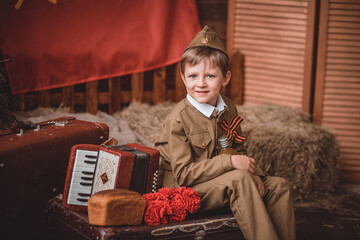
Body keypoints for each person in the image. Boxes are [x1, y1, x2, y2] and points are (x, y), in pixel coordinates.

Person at [155, 26, 296, 240]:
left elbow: (236, 148)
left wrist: (254, 174)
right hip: (182, 190)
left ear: (225, 78)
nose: (200, 83)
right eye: (193, 76)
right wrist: (231, 163)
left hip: (218, 179)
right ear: (183, 78)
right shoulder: (179, 118)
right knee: (239, 179)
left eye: (210, 75)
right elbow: (184, 175)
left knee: (279, 187)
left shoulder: (228, 108)